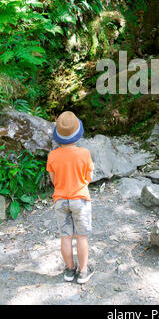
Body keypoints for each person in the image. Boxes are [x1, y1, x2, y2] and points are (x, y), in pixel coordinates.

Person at [46, 111, 95, 284]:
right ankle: (82, 272)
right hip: (80, 199)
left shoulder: (52, 156)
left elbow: (53, 180)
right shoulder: (85, 154)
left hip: (60, 200)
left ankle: (69, 270)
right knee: (81, 237)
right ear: (78, 134)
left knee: (65, 237)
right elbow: (88, 178)